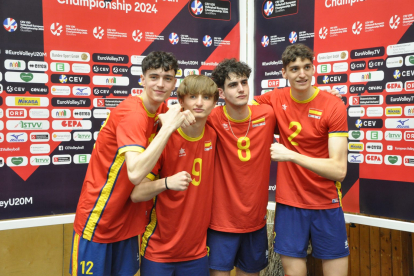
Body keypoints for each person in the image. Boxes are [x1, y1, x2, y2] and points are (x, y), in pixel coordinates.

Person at [70, 51, 195, 276]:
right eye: (154, 77)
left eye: (167, 78)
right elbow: (136, 173)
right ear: (142, 79)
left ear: (175, 82)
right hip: (100, 219)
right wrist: (168, 128)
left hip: (129, 222)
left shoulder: (161, 111)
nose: (160, 84)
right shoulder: (133, 114)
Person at [253, 43, 349, 276]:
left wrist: (291, 155)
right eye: (294, 69)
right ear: (284, 73)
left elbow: (339, 170)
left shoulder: (332, 105)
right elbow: (243, 111)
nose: (302, 74)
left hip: (326, 202)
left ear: (314, 68)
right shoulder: (274, 98)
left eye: (307, 67)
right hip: (290, 203)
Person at [130, 75, 218, 276]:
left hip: (196, 252)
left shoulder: (213, 135)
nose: (198, 102)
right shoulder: (164, 137)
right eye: (192, 96)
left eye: (205, 97)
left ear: (214, 102)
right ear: (181, 101)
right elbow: (136, 193)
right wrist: (167, 182)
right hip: (159, 251)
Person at [207, 59, 277, 276]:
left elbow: (295, 106)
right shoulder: (211, 118)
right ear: (220, 92)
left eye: (244, 82)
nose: (240, 89)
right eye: (233, 85)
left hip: (255, 221)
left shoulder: (267, 114)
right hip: (220, 222)